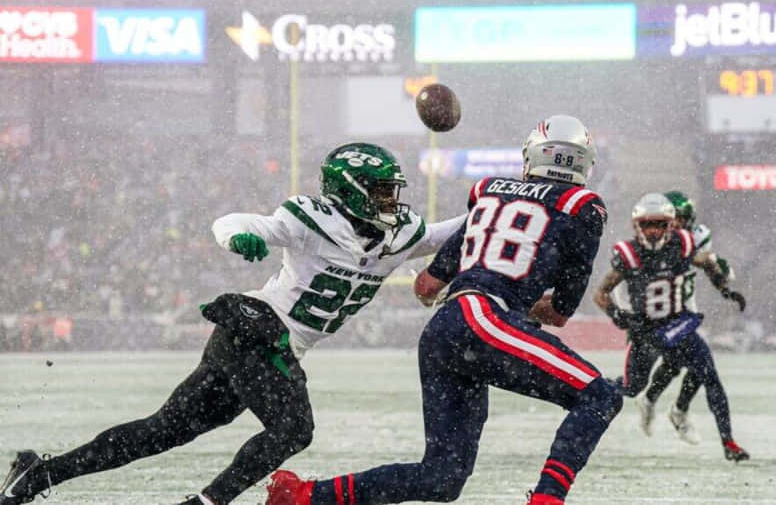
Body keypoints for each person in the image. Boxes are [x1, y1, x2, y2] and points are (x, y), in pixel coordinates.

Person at [0, 143, 466, 505]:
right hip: (258, 328)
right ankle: (208, 501)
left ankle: (39, 473)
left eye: (392, 190)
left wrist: (505, 196)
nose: (392, 200)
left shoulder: (402, 236)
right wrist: (238, 237)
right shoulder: (311, 219)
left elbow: (459, 228)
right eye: (382, 190)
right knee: (293, 430)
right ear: (351, 190)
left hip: (262, 342)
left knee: (162, 431)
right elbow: (238, 221)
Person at [266, 115, 620, 505]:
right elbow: (560, 311)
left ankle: (304, 495)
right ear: (583, 163)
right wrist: (525, 300)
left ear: (532, 156)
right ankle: (548, 499)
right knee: (600, 396)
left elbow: (426, 287)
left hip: (444, 331)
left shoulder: (489, 192)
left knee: (441, 478)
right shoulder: (583, 206)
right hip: (486, 319)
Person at [592, 192, 750, 462]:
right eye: (647, 225)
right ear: (637, 226)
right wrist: (616, 314)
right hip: (645, 330)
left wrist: (724, 289)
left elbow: (708, 262)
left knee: (708, 374)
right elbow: (601, 293)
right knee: (631, 387)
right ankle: (590, 388)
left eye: (659, 225)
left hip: (678, 324)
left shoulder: (683, 244)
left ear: (671, 225)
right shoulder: (629, 254)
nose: (653, 231)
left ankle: (729, 442)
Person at [634, 191, 735, 445]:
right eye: (674, 218)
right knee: (684, 364)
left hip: (685, 310)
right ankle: (673, 410)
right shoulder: (658, 240)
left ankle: (658, 404)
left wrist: (721, 270)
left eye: (682, 218)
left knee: (683, 365)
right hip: (662, 312)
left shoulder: (695, 237)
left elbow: (710, 262)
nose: (678, 223)